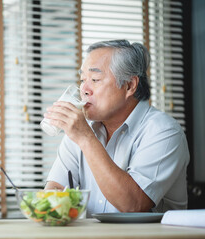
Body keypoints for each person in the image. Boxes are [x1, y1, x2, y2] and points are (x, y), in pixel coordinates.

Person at [44, 39, 189, 216]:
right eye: (83, 79)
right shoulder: (82, 129)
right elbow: (56, 188)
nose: (84, 89)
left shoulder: (164, 132)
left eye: (95, 79)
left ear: (130, 85)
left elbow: (133, 205)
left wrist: (86, 139)